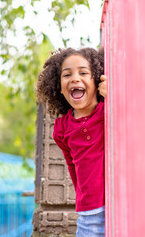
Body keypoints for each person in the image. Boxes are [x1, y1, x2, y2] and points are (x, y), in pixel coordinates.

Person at [37, 47, 107, 237]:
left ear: (97, 80)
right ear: (59, 87)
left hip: (121, 203)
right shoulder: (61, 128)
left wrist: (114, 96)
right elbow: (72, 166)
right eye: (67, 75)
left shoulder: (108, 110)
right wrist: (82, 198)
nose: (75, 78)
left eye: (83, 72)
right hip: (89, 213)